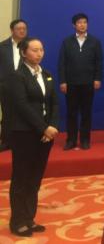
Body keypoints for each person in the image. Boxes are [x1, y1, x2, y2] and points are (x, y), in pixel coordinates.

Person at [6, 37, 59, 237]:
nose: (39, 53)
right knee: (21, 177)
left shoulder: (46, 75)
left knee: (35, 178)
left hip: (45, 135)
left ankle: (29, 218)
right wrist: (43, 128)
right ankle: (17, 221)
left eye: (41, 50)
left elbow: (54, 103)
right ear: (23, 53)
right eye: (34, 50)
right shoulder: (17, 76)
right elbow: (22, 106)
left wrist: (52, 126)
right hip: (25, 134)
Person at [58, 13, 103, 150]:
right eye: (79, 22)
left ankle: (85, 140)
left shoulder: (95, 41)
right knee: (71, 113)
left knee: (86, 113)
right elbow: (62, 63)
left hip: (88, 83)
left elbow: (99, 62)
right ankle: (71, 140)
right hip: (71, 83)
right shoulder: (67, 41)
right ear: (74, 25)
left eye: (84, 22)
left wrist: (97, 78)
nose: (82, 25)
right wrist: (63, 81)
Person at [0, 19, 28, 152]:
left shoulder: (30, 45)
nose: (22, 31)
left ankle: (22, 141)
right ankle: (6, 141)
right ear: (12, 30)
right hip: (6, 86)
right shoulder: (2, 46)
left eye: (24, 29)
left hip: (25, 85)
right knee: (7, 114)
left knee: (24, 113)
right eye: (19, 28)